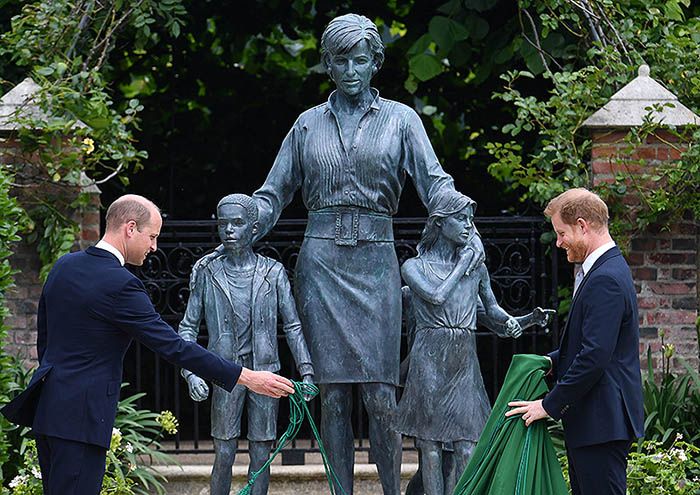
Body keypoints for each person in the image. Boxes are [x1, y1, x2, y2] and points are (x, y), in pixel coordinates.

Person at [210, 14, 484, 494]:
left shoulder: (402, 119)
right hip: (321, 265)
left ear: (376, 62)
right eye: (341, 60)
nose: (352, 69)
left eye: (361, 59)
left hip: (377, 264)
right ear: (328, 65)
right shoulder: (306, 124)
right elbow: (274, 193)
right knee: (333, 397)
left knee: (381, 395)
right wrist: (246, 218)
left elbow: (434, 182)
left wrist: (463, 216)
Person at [0, 194, 295, 495]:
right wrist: (247, 376)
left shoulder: (64, 266)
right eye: (152, 236)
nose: (154, 246)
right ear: (130, 228)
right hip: (83, 420)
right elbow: (174, 346)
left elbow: (46, 340)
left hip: (49, 413)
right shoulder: (121, 284)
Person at [395, 191, 552, 495]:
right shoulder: (414, 266)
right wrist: (464, 262)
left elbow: (493, 315)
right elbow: (436, 297)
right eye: (461, 218)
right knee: (430, 446)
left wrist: (527, 320)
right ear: (439, 223)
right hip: (429, 358)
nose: (468, 226)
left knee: (467, 444)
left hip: (463, 360)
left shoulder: (476, 270)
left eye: (470, 219)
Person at [506, 188, 644, 495]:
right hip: (596, 423)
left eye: (561, 232)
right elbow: (587, 345)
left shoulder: (605, 277)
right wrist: (548, 362)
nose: (558, 242)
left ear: (582, 225)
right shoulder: (604, 270)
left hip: (601, 424)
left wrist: (548, 404)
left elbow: (594, 356)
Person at [178, 194, 314, 495]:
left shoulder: (273, 272)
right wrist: (191, 373)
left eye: (237, 224)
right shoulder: (208, 273)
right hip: (224, 373)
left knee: (261, 454)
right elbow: (187, 328)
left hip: (265, 372)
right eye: (223, 223)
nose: (228, 230)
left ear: (254, 229)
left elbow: (292, 325)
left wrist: (306, 372)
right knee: (224, 452)